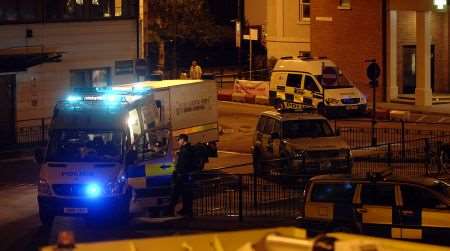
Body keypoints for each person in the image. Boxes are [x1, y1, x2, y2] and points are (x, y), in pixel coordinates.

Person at [168, 134, 195, 217]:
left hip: (182, 176)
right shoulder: (186, 149)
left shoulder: (186, 150)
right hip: (184, 176)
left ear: (183, 140)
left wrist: (178, 172)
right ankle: (186, 210)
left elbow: (184, 164)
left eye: (179, 140)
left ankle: (171, 211)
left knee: (175, 194)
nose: (178, 141)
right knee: (185, 194)